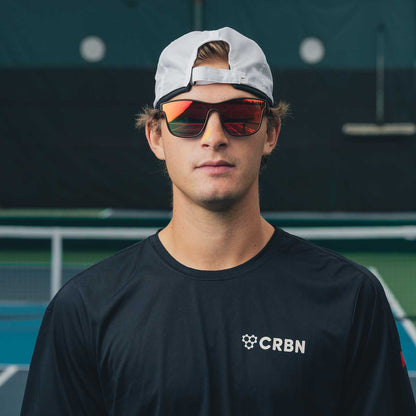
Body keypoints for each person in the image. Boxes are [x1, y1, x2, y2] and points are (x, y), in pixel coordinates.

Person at [21, 27, 416, 415]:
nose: (214, 136)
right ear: (156, 136)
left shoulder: (351, 299)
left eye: (240, 115)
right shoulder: (84, 309)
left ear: (271, 132)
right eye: (188, 116)